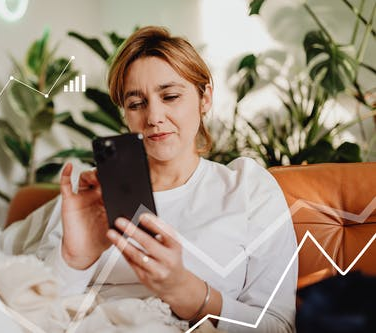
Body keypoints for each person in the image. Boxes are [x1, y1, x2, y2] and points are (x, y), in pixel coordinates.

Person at [36, 26, 298, 332]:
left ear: (205, 98)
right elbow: (35, 313)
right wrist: (74, 259)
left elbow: (279, 326)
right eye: (136, 104)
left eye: (170, 96)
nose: (153, 117)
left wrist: (187, 293)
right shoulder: (91, 194)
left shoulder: (247, 187)